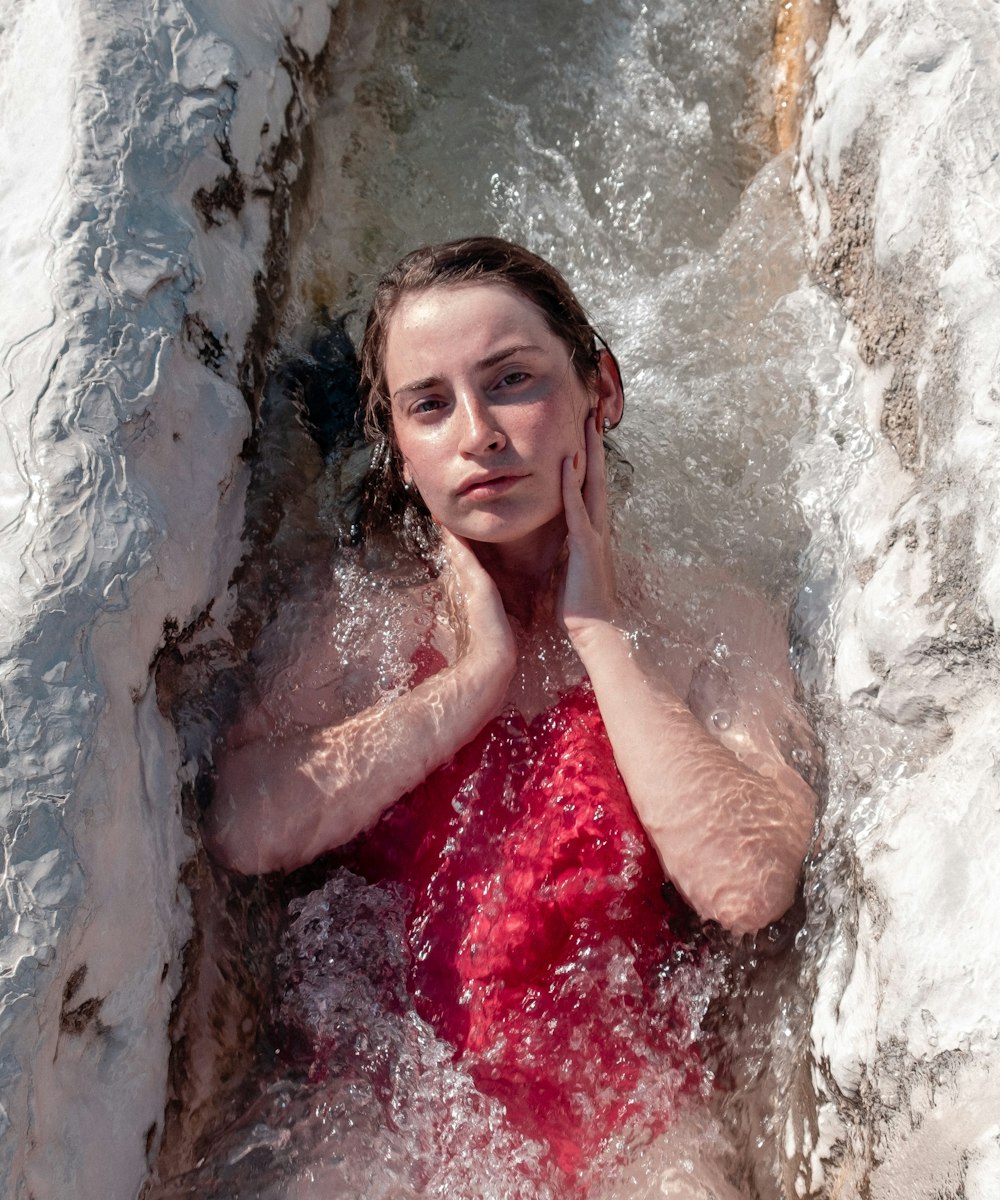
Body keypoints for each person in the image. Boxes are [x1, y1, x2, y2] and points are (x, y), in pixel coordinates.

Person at [205, 236, 817, 1184]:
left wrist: (599, 633)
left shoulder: (708, 621)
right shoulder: (356, 622)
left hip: (635, 1131)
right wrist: (470, 679)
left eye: (514, 381)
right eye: (430, 405)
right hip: (382, 1123)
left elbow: (746, 881)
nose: (477, 433)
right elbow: (243, 828)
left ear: (600, 391)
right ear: (399, 451)